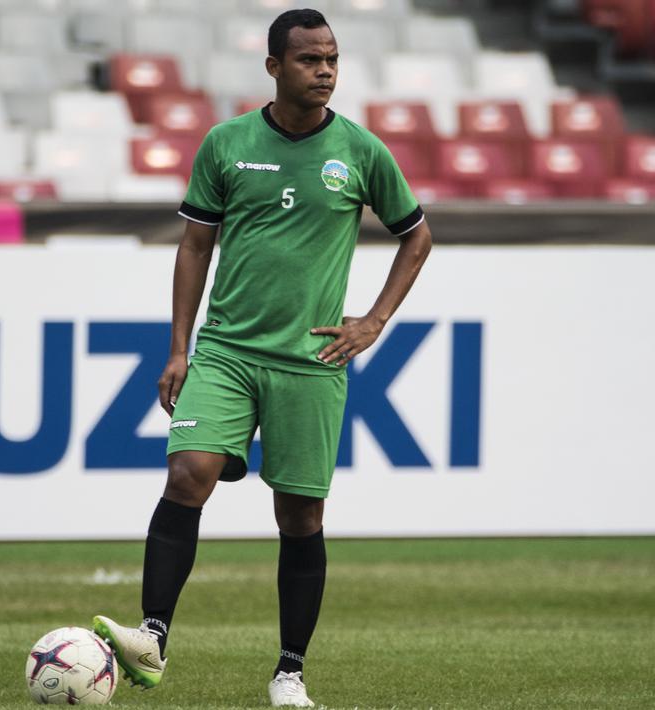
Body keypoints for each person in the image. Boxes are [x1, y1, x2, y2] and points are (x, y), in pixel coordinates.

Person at [93, 7, 433, 707]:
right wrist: (179, 348)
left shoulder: (361, 153)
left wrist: (372, 321)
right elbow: (194, 246)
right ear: (274, 67)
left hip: (309, 363)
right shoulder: (226, 143)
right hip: (225, 349)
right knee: (189, 474)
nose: (325, 72)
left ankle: (288, 672)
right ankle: (152, 636)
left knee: (299, 517)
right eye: (310, 60)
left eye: (332, 59)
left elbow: (416, 236)